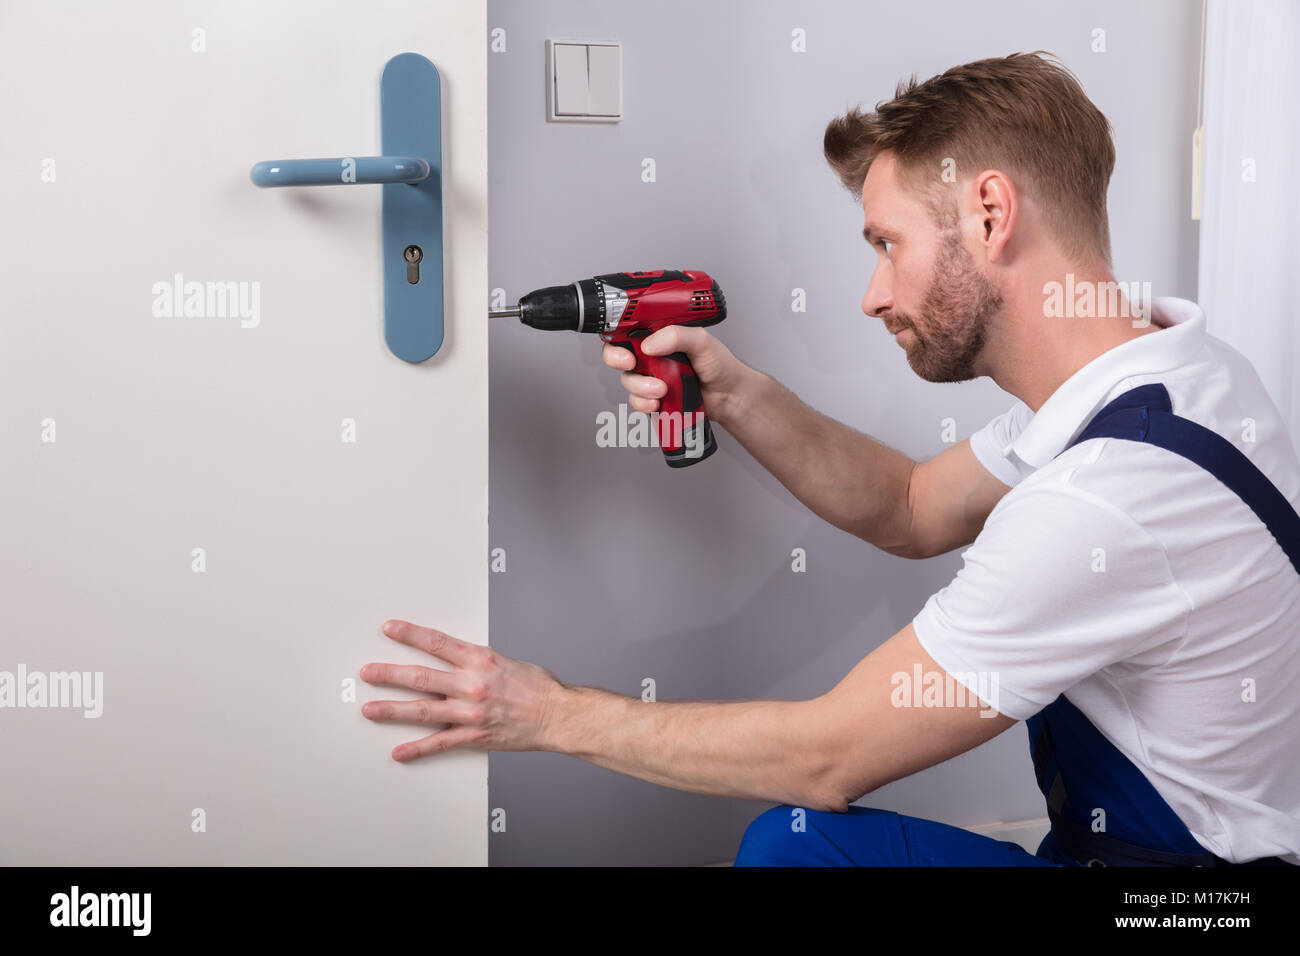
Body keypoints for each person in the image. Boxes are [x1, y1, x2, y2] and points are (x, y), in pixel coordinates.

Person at [359, 51, 1300, 867]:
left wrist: (544, 712)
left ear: (988, 213)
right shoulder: (1161, 376)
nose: (872, 294)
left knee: (796, 845)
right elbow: (912, 505)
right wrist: (731, 390)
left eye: (888, 244)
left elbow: (826, 758)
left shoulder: (1111, 497)